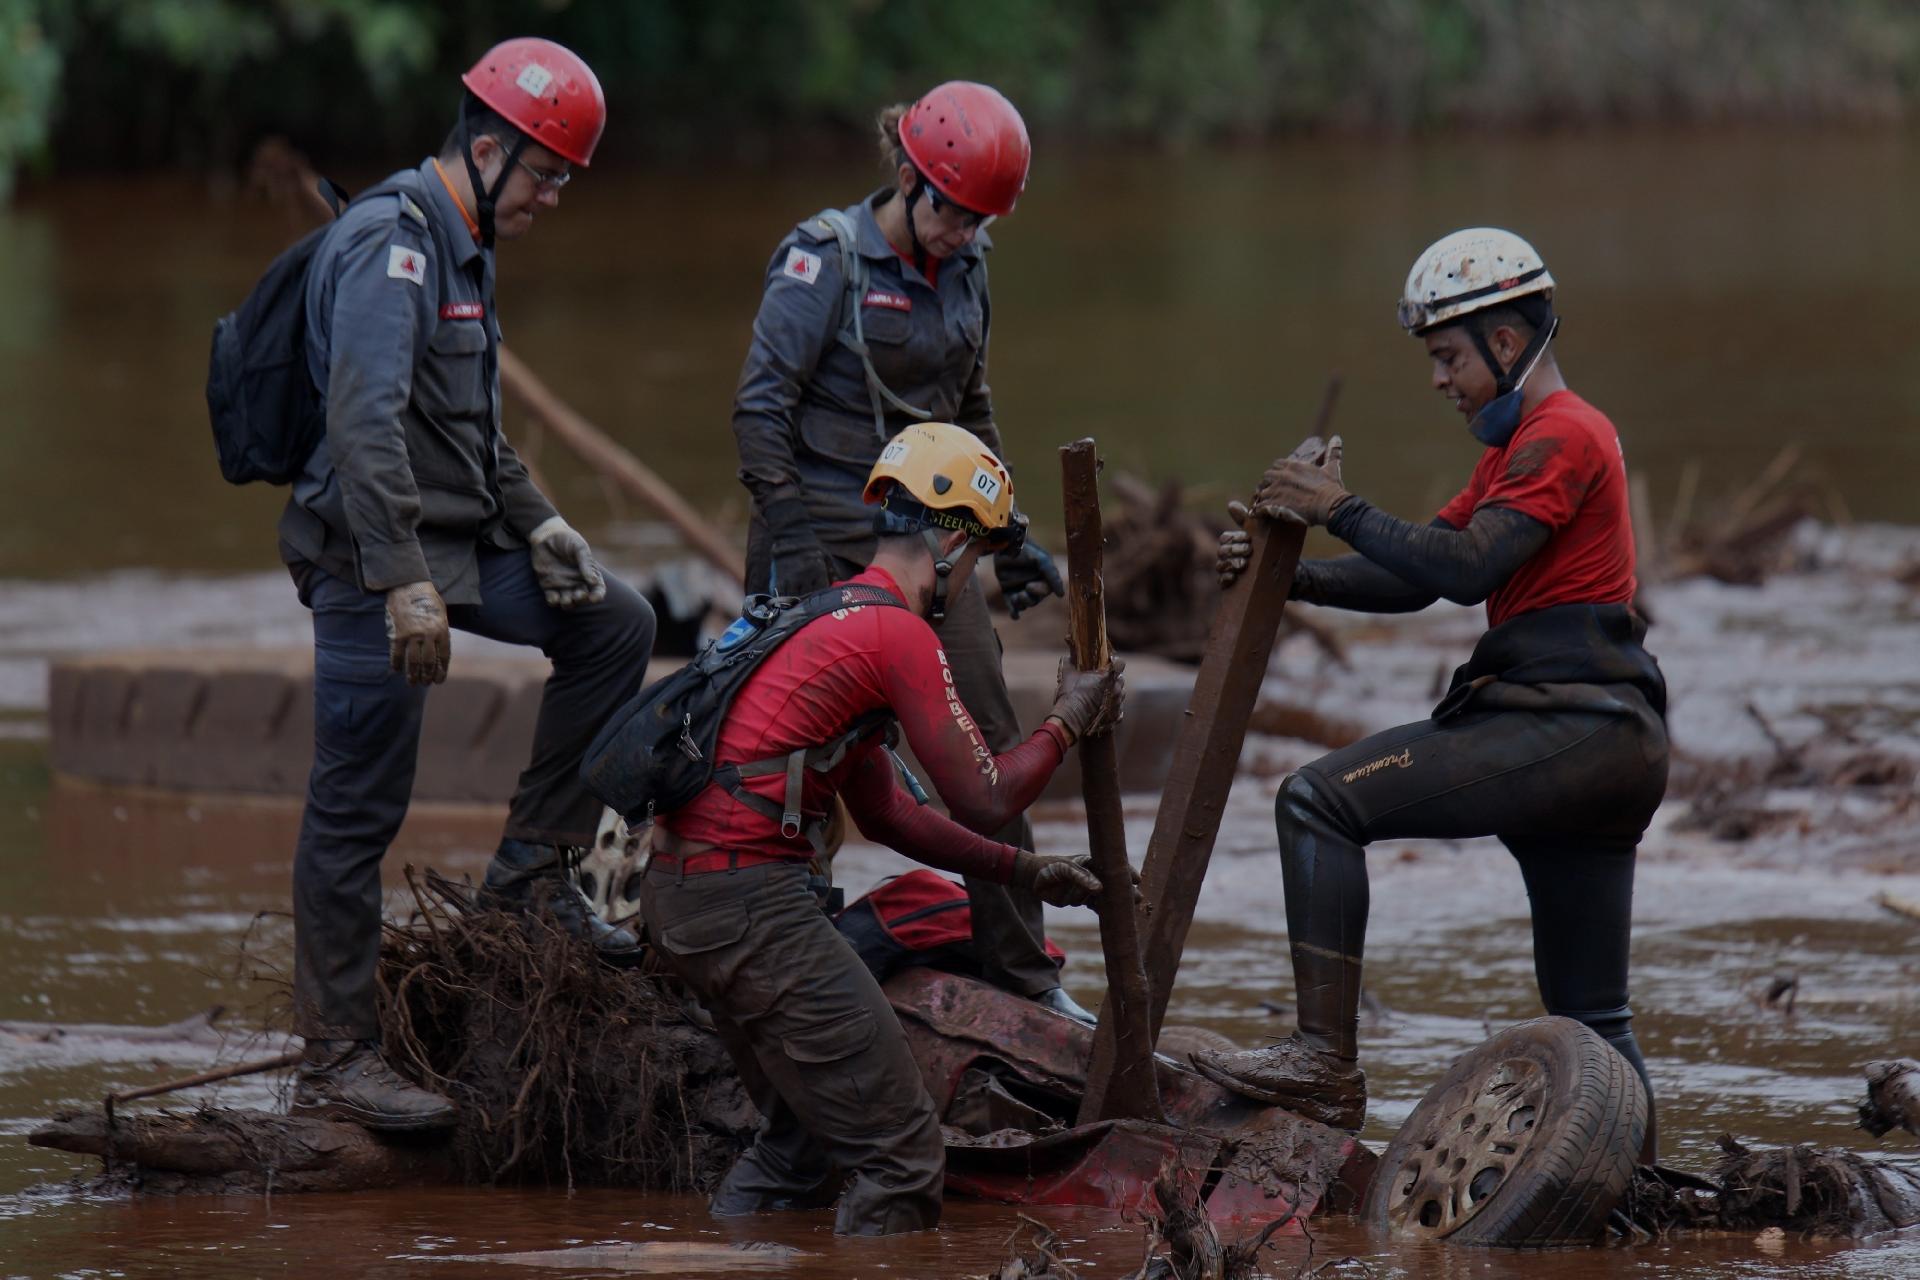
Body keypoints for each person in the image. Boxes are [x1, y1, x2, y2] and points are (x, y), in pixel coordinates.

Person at [1193, 228, 1669, 1162]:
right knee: (1592, 1017)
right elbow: (1414, 578)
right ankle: (1644, 1192)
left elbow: (1464, 567)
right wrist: (1293, 578)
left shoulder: (1564, 432)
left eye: (1449, 356)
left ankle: (1324, 1058)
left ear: (1505, 342)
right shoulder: (1515, 454)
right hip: (1602, 740)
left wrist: (1335, 509)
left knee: (1316, 801)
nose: (1439, 379)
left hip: (1571, 728)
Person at [278, 38, 656, 1131]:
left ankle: (530, 880)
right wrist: (401, 582)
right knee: (358, 801)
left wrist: (543, 523)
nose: (552, 199)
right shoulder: (389, 244)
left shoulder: (467, 244)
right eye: (546, 176)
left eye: (563, 181)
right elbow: (363, 425)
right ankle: (336, 1056)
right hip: (366, 550)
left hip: (454, 542)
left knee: (614, 624)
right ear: (487, 149)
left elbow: (471, 434)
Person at [644, 422, 1125, 1236]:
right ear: (947, 542)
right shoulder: (896, 632)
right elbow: (984, 793)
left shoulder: (826, 617)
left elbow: (889, 813)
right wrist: (1068, 720)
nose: (969, 582)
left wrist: (1024, 873)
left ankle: (717, 1251)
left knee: (799, 1147)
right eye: (974, 564)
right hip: (754, 906)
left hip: (685, 904)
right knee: (903, 1160)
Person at [729, 82, 1085, 1019]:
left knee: (987, 736)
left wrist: (1008, 539)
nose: (963, 232)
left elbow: (971, 412)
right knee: (790, 755)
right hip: (811, 526)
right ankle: (777, 959)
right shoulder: (825, 262)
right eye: (953, 212)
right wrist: (795, 544)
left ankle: (1024, 974)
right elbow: (760, 412)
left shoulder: (968, 269)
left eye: (980, 220)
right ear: (908, 177)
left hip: (922, 537)